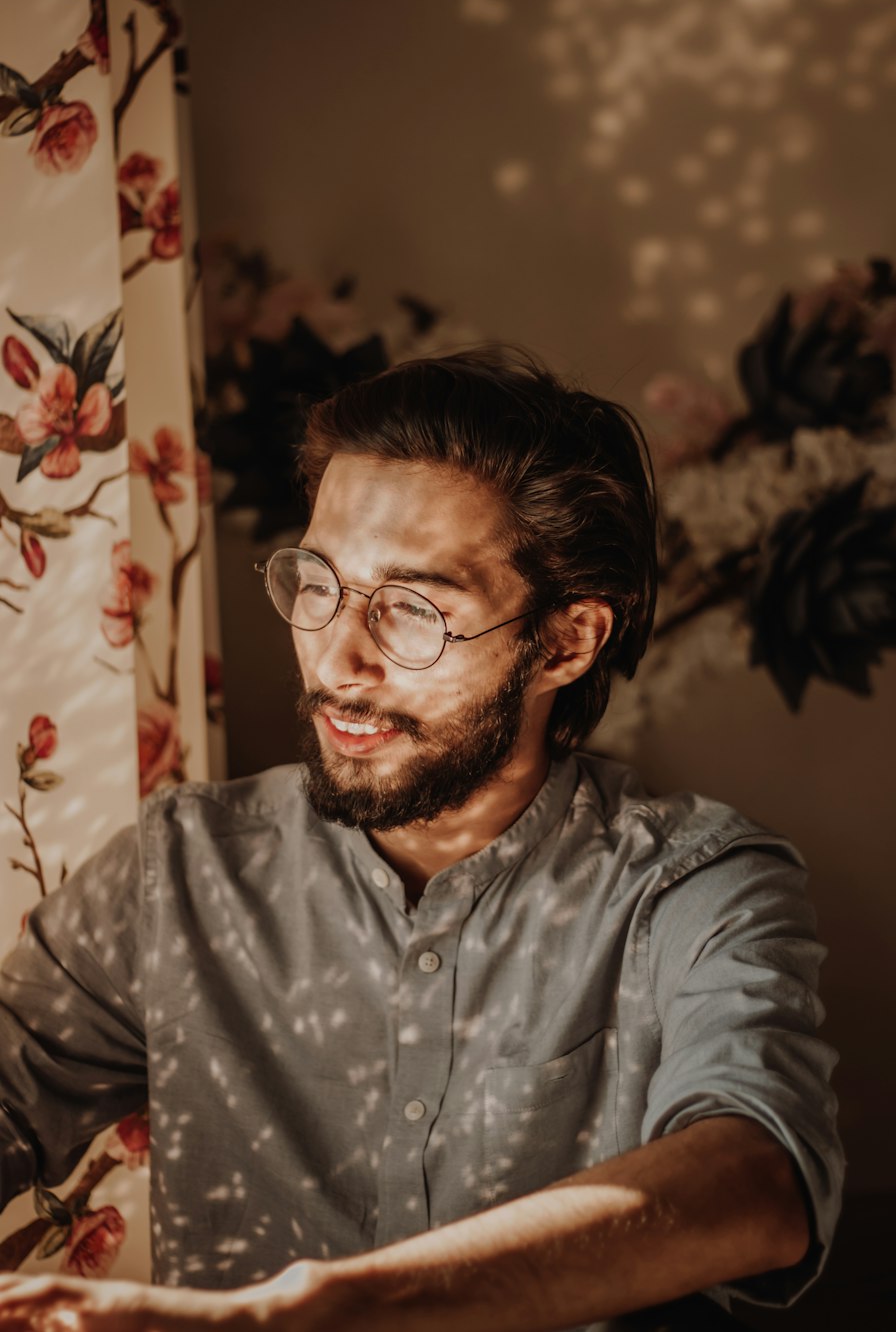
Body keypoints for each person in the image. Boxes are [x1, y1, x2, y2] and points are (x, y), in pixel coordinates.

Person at [0, 349, 843, 1331]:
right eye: (317, 584)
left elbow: (757, 1181)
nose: (338, 658)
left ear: (565, 642)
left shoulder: (692, 889)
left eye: (415, 610)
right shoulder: (178, 874)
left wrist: (316, 1312)